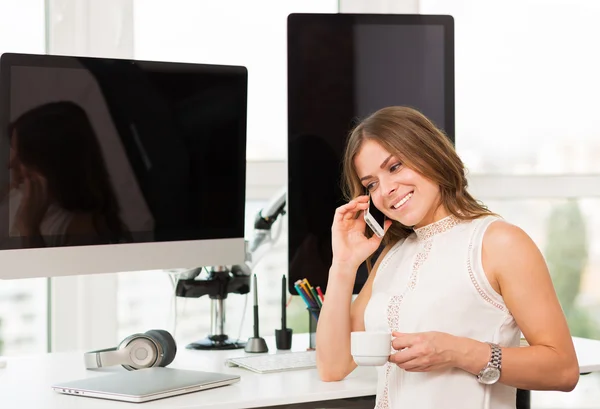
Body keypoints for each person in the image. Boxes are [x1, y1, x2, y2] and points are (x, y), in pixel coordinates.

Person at [315, 106, 579, 408]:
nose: (386, 189)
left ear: (429, 153)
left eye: (395, 166)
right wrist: (343, 265)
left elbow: (563, 370)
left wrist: (456, 351)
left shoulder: (498, 242)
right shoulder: (392, 255)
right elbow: (333, 366)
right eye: (371, 183)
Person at [6, 101, 130, 248]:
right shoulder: (20, 196)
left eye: (22, 156)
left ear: (52, 164)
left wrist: (29, 229)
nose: (10, 164)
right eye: (13, 151)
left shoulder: (84, 229)